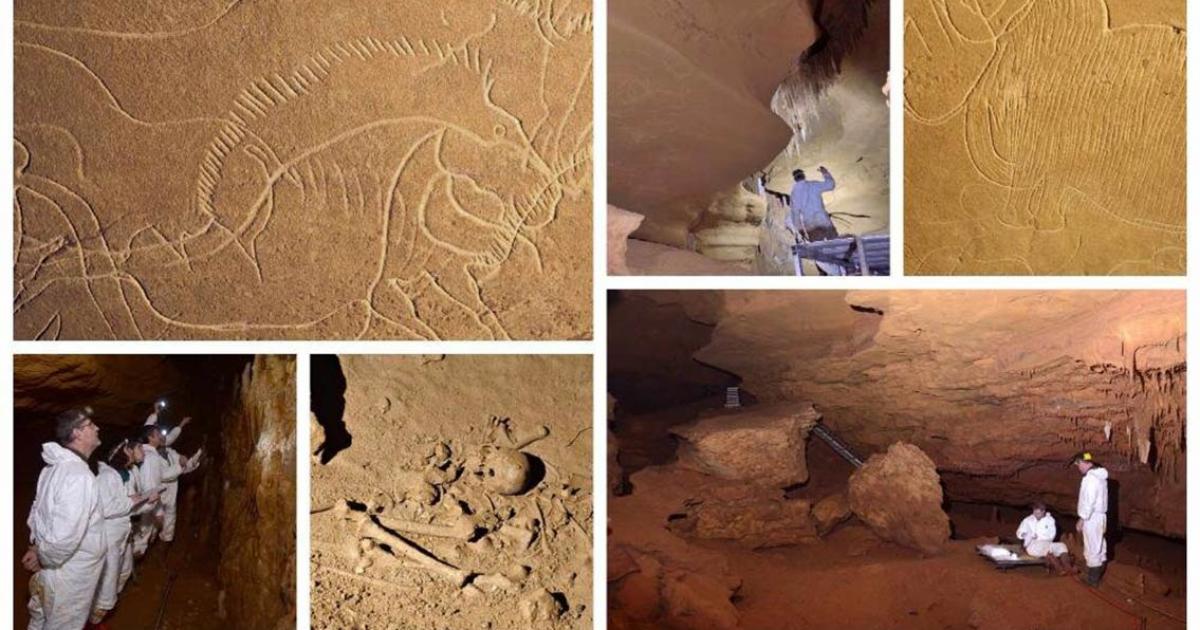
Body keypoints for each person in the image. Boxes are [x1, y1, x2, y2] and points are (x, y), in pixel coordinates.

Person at [24, 410, 107, 630]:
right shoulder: (79, 476)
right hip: (68, 579)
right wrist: (43, 556)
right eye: (91, 424)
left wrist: (36, 547)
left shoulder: (52, 469)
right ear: (77, 433)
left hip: (53, 572)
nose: (97, 428)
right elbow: (64, 539)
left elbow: (37, 512)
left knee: (39, 621)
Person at [91, 439, 159, 624]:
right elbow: (106, 508)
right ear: (125, 451)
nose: (142, 450)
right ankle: (95, 618)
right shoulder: (107, 477)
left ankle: (102, 612)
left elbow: (128, 508)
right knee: (106, 585)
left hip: (122, 533)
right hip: (109, 537)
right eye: (138, 448)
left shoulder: (126, 475)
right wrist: (136, 499)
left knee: (124, 571)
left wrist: (148, 503)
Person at [1074, 452, 1109, 586]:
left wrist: (1082, 519)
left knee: (1092, 547)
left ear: (1085, 463)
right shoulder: (1100, 477)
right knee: (1099, 546)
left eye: (1078, 464)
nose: (1078, 467)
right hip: (1100, 516)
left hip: (1092, 517)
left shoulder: (1090, 479)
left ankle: (1092, 580)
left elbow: (1089, 501)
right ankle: (1098, 575)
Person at [1016, 502, 1072, 575]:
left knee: (1062, 546)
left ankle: (1068, 567)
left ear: (1043, 512)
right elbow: (1019, 533)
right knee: (1046, 549)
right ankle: (1059, 569)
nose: (1036, 515)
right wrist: (1026, 535)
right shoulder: (1028, 520)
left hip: (1047, 543)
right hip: (1032, 545)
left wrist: (1042, 538)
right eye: (1035, 513)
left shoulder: (1050, 520)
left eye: (1038, 513)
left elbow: (1052, 534)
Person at [788, 166, 838, 242]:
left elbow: (795, 213)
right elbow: (831, 185)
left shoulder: (794, 194)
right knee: (836, 244)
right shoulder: (814, 184)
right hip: (823, 221)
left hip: (811, 226)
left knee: (818, 247)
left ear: (795, 179)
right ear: (803, 176)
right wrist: (825, 173)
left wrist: (800, 229)